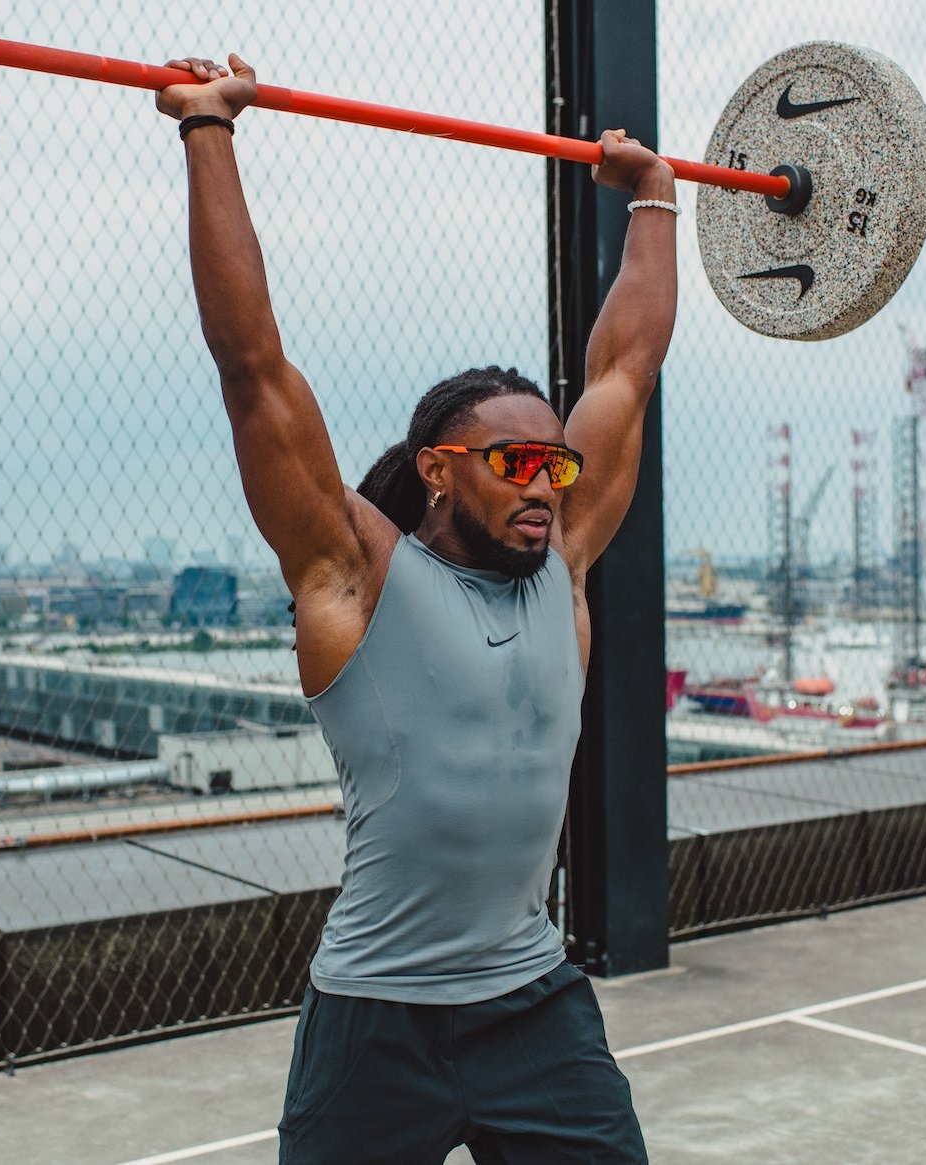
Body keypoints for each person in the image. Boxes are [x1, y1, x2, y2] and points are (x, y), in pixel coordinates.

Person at [157, 51, 678, 1165]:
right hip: (374, 1023)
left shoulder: (565, 573)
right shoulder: (354, 575)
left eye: (554, 461)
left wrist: (653, 197)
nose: (544, 480)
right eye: (512, 460)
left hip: (535, 1006)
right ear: (440, 470)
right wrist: (208, 131)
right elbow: (252, 368)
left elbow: (626, 370)